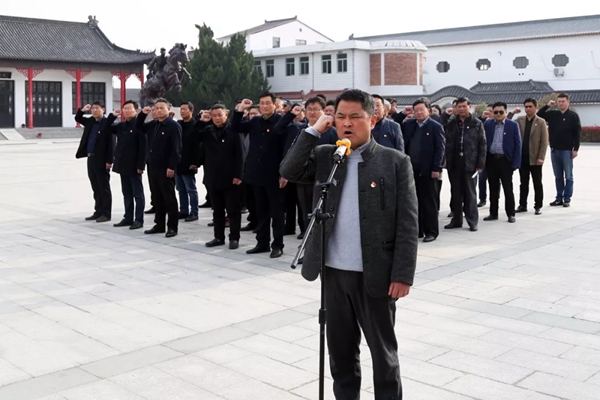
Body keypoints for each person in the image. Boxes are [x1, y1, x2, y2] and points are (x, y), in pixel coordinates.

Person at [280, 89, 418, 400]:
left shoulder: (394, 161)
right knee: (341, 355)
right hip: (332, 272)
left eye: (355, 117)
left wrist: (403, 274)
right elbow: (288, 170)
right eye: (340, 116)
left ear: (373, 119)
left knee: (384, 357)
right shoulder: (327, 156)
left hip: (376, 275)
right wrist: (313, 130)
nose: (346, 123)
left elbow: (408, 222)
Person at [232, 92, 286, 258]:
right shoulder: (255, 121)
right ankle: (262, 243)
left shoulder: (281, 121)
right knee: (260, 211)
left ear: (274, 105)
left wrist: (284, 173)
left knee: (277, 212)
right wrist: (240, 109)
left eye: (268, 103)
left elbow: (286, 149)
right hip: (256, 174)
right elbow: (235, 127)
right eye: (262, 103)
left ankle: (277, 245)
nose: (264, 106)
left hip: (274, 175)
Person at [194, 104, 244, 249]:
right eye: (214, 116)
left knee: (233, 211)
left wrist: (238, 175)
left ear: (226, 114)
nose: (217, 118)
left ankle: (234, 238)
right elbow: (193, 138)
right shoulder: (208, 130)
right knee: (217, 210)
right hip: (213, 177)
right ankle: (218, 237)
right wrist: (201, 122)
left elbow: (240, 154)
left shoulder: (234, 130)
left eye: (219, 115)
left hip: (230, 178)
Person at [136, 99, 182, 237]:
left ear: (169, 109)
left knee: (169, 198)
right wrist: (142, 114)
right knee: (157, 197)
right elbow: (139, 127)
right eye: (156, 108)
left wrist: (172, 167)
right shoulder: (154, 124)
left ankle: (172, 227)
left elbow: (176, 149)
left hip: (166, 167)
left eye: (162, 108)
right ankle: (159, 224)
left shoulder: (173, 126)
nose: (159, 110)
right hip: (153, 166)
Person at [402, 98, 445, 242]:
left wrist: (436, 168)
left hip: (428, 170)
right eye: (416, 110)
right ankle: (418, 230)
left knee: (429, 201)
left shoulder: (435, 127)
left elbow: (440, 149)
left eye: (421, 110)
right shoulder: (409, 124)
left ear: (429, 110)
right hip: (411, 169)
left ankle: (431, 231)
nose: (419, 113)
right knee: (414, 201)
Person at [444, 97, 486, 231]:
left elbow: (482, 144)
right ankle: (457, 220)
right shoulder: (451, 122)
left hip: (470, 163)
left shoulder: (477, 123)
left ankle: (472, 221)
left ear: (469, 107)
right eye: (459, 106)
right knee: (456, 193)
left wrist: (480, 164)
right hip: (454, 162)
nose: (461, 109)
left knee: (470, 193)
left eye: (464, 106)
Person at [75, 101, 116, 223]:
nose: (94, 110)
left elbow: (112, 143)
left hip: (102, 159)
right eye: (92, 108)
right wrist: (83, 110)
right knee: (95, 186)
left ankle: (106, 213)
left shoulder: (107, 123)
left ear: (103, 109)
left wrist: (109, 160)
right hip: (91, 158)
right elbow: (78, 118)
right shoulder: (90, 121)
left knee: (103, 187)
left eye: (97, 108)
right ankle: (98, 211)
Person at [537, 94, 581, 207]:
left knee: (569, 176)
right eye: (559, 101)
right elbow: (539, 114)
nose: (561, 103)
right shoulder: (553, 114)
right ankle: (559, 198)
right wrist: (547, 105)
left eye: (563, 101)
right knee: (558, 176)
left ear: (568, 102)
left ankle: (567, 198)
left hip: (567, 150)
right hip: (554, 149)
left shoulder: (573, 116)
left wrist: (576, 149)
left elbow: (577, 133)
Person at [109, 100, 147, 230]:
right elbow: (106, 128)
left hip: (134, 165)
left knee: (138, 194)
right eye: (125, 109)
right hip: (122, 164)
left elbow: (143, 148)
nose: (126, 111)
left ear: (136, 110)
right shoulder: (121, 125)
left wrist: (141, 166)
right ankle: (128, 217)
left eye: (129, 108)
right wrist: (112, 116)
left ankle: (139, 219)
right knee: (126, 192)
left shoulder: (139, 125)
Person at [483, 102, 522, 223]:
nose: (498, 114)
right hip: (491, 159)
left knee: (508, 188)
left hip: (506, 160)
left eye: (501, 112)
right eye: (496, 112)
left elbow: (518, 144)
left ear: (506, 112)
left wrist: (516, 163)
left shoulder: (513, 125)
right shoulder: (488, 123)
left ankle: (511, 214)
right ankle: (493, 213)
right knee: (493, 188)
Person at [515, 98, 549, 215]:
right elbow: (507, 122)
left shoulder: (541, 122)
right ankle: (522, 205)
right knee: (523, 183)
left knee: (537, 183)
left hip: (535, 158)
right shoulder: (520, 120)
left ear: (536, 107)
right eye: (526, 107)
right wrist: (512, 113)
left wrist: (541, 157)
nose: (528, 109)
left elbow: (544, 142)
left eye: (530, 106)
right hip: (522, 158)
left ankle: (538, 205)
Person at [176, 101, 201, 221]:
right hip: (178, 162)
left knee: (191, 189)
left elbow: (198, 146)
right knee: (181, 189)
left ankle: (194, 212)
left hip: (189, 162)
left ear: (191, 111)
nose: (182, 111)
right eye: (181, 109)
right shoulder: (178, 124)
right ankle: (183, 210)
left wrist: (196, 162)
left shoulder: (195, 125)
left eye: (185, 109)